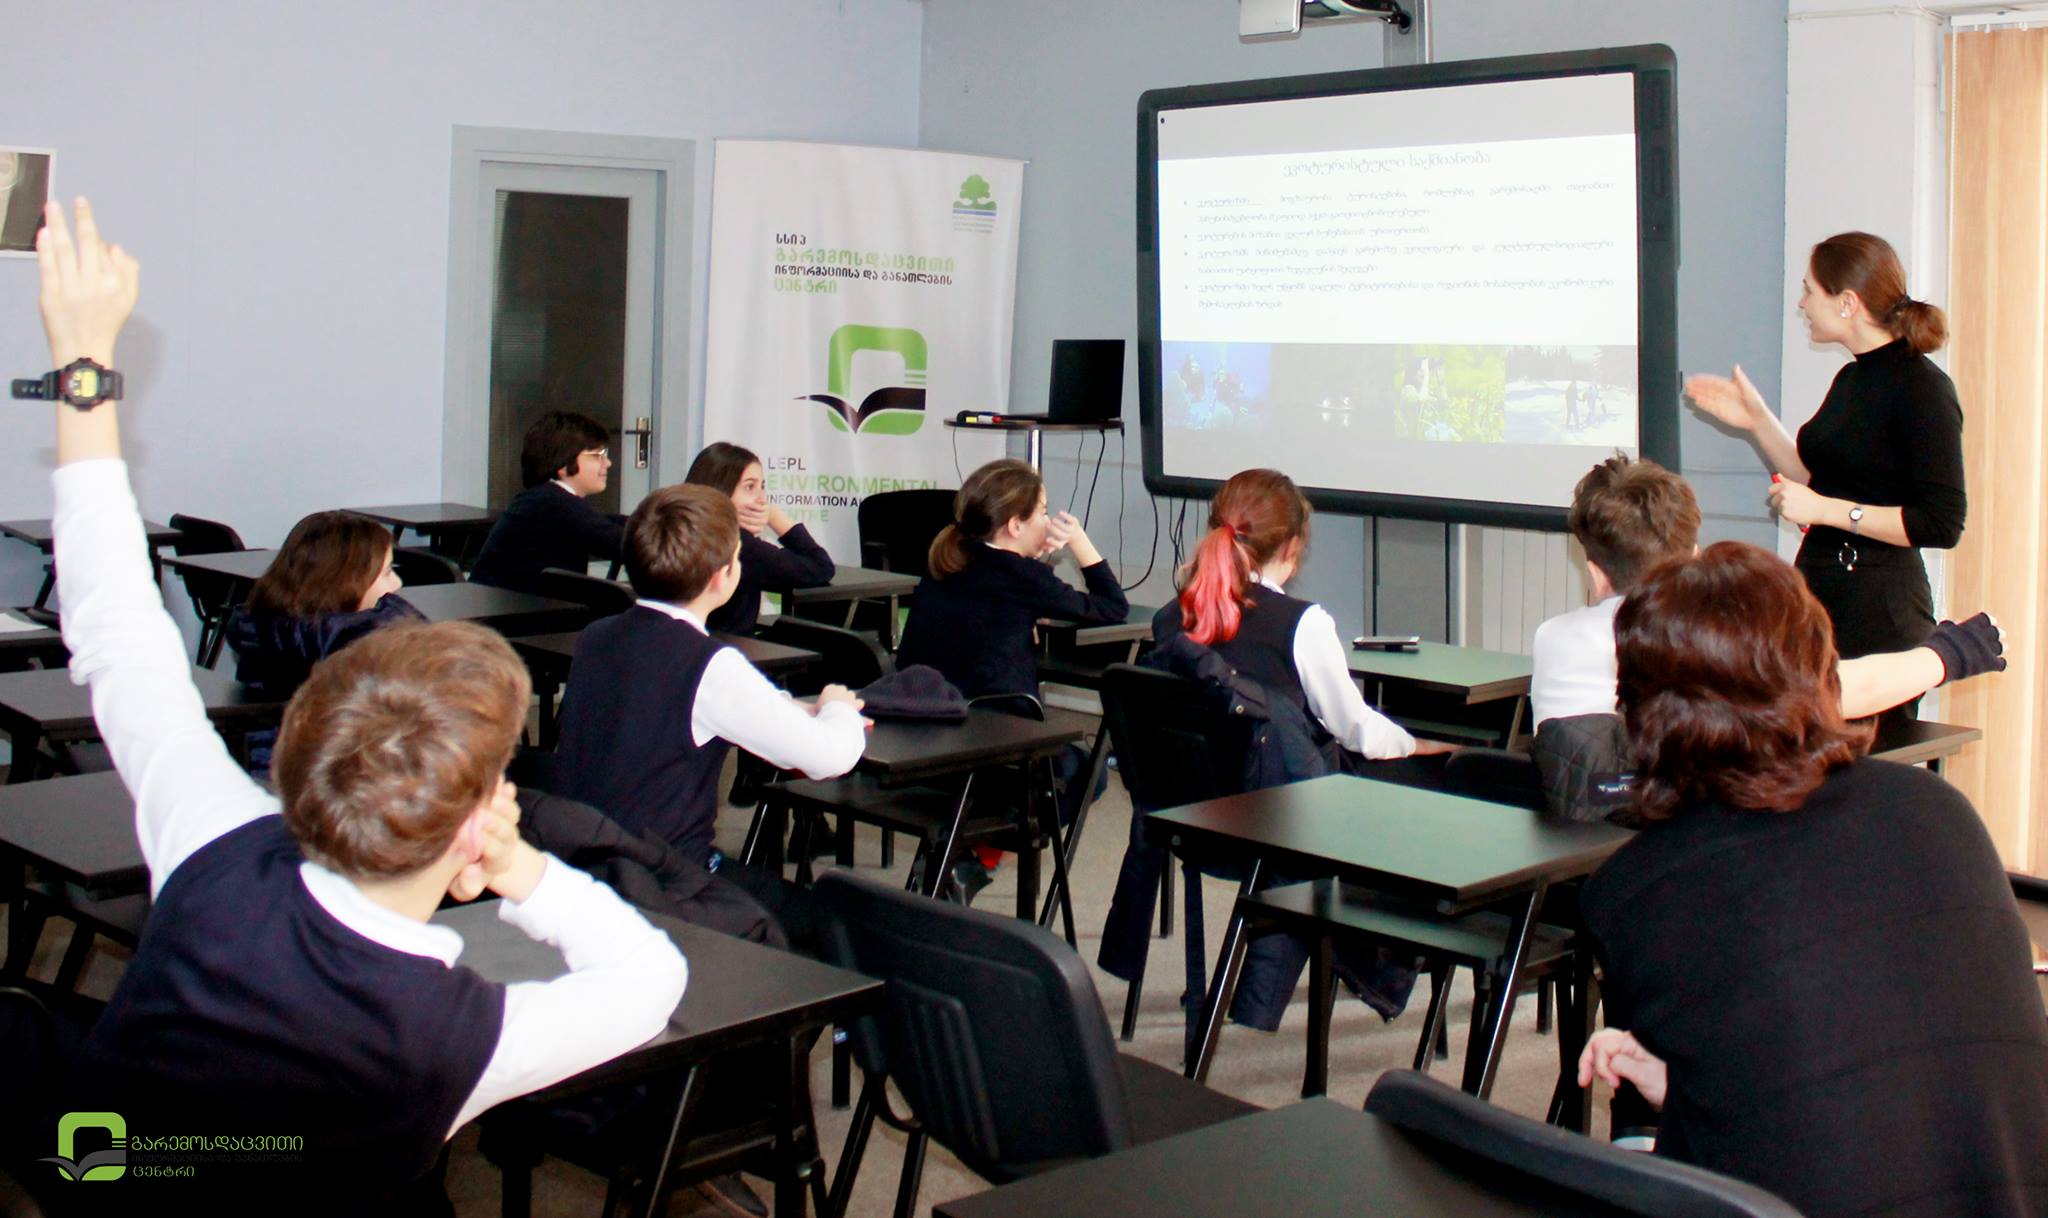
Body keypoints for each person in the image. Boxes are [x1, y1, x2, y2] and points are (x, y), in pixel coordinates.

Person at [29, 199, 685, 1200]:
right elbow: (650, 977)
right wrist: (516, 866)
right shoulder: (459, 1038)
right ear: (471, 828)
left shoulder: (214, 846)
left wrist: (84, 366)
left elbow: (116, 624)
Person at [1576, 541, 2048, 1218]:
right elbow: (1861, 1075)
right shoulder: (1939, 811)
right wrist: (1687, 1089)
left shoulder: (1637, 892)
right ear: (1823, 671)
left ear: (1639, 708)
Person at [1100, 468, 1451, 1028]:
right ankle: (1387, 957)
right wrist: (1420, 743)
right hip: (1276, 827)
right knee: (1417, 790)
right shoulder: (1303, 624)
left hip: (1189, 818)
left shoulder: (1174, 614)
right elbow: (1355, 729)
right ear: (1294, 546)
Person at [1532, 454, 2003, 821]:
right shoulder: (1708, 637)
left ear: (1595, 574)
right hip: (1698, 850)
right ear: (1695, 555)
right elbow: (1839, 691)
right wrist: (1954, 651)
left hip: (1595, 866)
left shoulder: (1554, 639)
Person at [1686, 232, 1964, 729]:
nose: (1802, 304)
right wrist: (1757, 421)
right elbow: (1820, 481)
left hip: (1879, 611)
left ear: (1848, 302)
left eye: (1809, 291)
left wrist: (1825, 512)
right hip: (1820, 593)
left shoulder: (1924, 389)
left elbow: (1941, 523)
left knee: (1862, 761)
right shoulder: (1852, 379)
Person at [552, 483, 868, 876]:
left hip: (581, 862)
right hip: (664, 878)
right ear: (723, 577)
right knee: (811, 908)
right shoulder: (710, 664)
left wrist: (787, 707)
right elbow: (831, 757)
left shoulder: (596, 635)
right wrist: (839, 706)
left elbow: (662, 703)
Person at [894, 458, 1127, 894]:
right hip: (992, 748)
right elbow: (1113, 608)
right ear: (1015, 525)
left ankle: (961, 851)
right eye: (1043, 512)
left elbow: (991, 611)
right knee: (1088, 772)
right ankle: (972, 856)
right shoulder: (1023, 577)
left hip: (921, 736)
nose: (1048, 522)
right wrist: (1079, 541)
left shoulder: (949, 561)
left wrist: (1029, 605)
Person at [684, 441, 834, 635]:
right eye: (749, 487)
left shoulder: (679, 530)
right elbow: (820, 567)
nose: (762, 499)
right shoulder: (738, 546)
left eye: (762, 487)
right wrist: (774, 516)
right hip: (726, 648)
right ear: (720, 490)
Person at [468, 410, 626, 593]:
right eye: (597, 455)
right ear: (563, 462)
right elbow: (621, 544)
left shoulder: (543, 499)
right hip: (520, 609)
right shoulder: (556, 504)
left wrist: (644, 522)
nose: (608, 463)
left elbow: (599, 522)